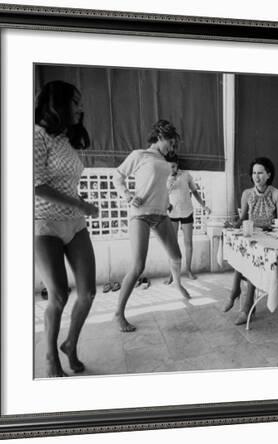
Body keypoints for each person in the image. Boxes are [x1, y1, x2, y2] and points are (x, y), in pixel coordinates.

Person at [34, 80, 99, 377]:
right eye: (75, 101)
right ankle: (50, 357)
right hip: (44, 223)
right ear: (57, 103)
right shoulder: (37, 135)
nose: (79, 108)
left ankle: (70, 344)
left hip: (75, 222)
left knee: (87, 292)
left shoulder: (66, 139)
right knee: (58, 295)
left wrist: (79, 203)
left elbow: (66, 182)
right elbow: (37, 185)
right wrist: (81, 204)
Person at [112, 119, 191, 333]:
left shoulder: (165, 162)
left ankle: (177, 283)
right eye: (171, 143)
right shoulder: (139, 155)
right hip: (140, 215)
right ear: (160, 137)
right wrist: (128, 196)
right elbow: (116, 177)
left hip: (160, 214)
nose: (172, 148)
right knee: (138, 266)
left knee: (176, 256)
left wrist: (167, 202)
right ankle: (119, 312)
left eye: (174, 146)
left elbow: (159, 186)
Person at [223, 157, 278, 324]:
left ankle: (244, 303)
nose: (256, 176)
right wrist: (232, 225)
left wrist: (270, 231)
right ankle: (240, 297)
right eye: (254, 173)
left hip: (268, 239)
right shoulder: (247, 194)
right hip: (251, 235)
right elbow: (242, 218)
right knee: (242, 254)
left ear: (268, 174)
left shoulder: (277, 194)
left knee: (251, 259)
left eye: (260, 173)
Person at [165, 153, 211, 283]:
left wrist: (203, 206)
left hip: (187, 212)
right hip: (172, 213)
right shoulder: (164, 177)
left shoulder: (186, 175)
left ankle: (188, 270)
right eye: (169, 167)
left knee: (188, 243)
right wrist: (169, 184)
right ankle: (172, 274)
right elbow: (162, 195)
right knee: (172, 245)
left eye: (173, 166)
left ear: (177, 164)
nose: (171, 170)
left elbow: (195, 191)